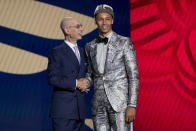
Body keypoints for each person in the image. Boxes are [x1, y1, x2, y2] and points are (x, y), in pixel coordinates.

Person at [85, 4, 139, 131]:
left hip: (119, 104)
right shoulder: (90, 46)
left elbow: (133, 76)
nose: (104, 22)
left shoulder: (124, 42)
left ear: (112, 20)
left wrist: (132, 105)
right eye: (100, 19)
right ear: (95, 21)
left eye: (107, 19)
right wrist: (85, 82)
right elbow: (90, 74)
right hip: (98, 106)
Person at [47, 17, 88, 131]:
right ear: (67, 30)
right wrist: (75, 83)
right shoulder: (57, 52)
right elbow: (52, 78)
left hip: (80, 111)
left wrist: (87, 82)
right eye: (78, 26)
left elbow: (87, 74)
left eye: (81, 26)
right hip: (63, 112)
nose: (81, 29)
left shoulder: (83, 51)